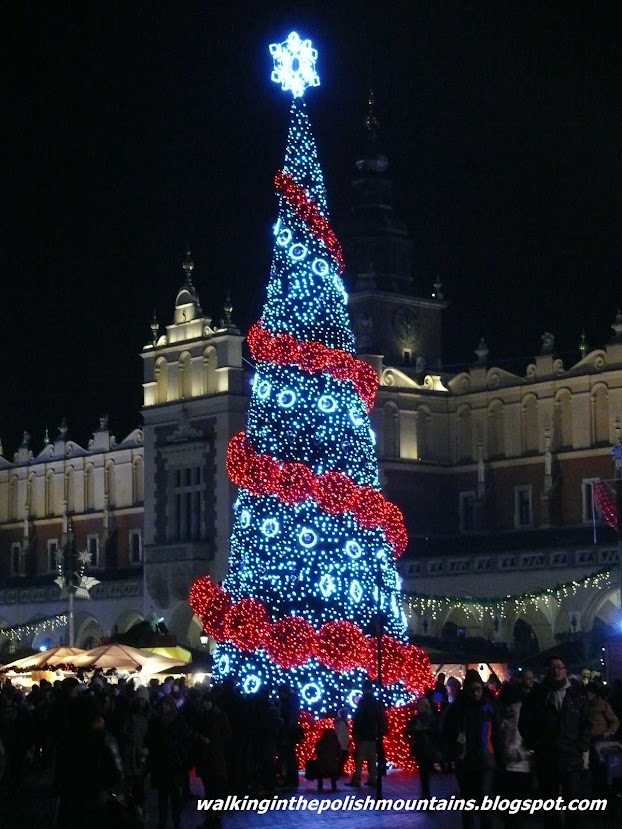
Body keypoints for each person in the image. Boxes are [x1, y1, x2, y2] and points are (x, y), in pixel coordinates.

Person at [519, 655, 591, 828]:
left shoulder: (576, 695)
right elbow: (524, 723)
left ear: (565, 670)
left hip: (571, 758)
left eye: (560, 667)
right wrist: (536, 745)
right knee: (550, 806)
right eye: (553, 667)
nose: (556, 670)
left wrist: (581, 745)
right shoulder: (538, 696)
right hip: (547, 758)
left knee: (573, 805)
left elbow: (586, 723)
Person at [443, 669, 500, 829]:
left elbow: (496, 732)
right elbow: (448, 732)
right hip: (466, 759)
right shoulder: (458, 709)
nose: (476, 693)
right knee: (468, 801)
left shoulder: (488, 707)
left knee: (484, 798)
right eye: (473, 689)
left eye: (478, 689)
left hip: (484, 758)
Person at [345, 679, 387, 788]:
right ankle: (372, 778)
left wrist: (355, 731)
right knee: (372, 758)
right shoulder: (375, 701)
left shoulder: (363, 701)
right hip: (373, 734)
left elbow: (359, 718)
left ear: (364, 688)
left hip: (363, 733)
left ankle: (357, 779)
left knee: (360, 757)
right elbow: (380, 716)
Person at [406, 696, 438, 798]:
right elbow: (408, 730)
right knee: (423, 772)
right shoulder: (416, 718)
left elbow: (435, 731)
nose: (418, 707)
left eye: (420, 705)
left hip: (427, 747)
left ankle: (426, 794)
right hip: (420, 747)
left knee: (425, 772)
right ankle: (425, 794)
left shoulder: (430, 718)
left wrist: (422, 730)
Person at [334, 707, 351, 779]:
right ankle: (339, 771)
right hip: (342, 744)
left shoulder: (341, 722)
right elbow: (341, 734)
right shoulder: (341, 723)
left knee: (342, 758)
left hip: (343, 743)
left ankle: (340, 771)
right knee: (342, 758)